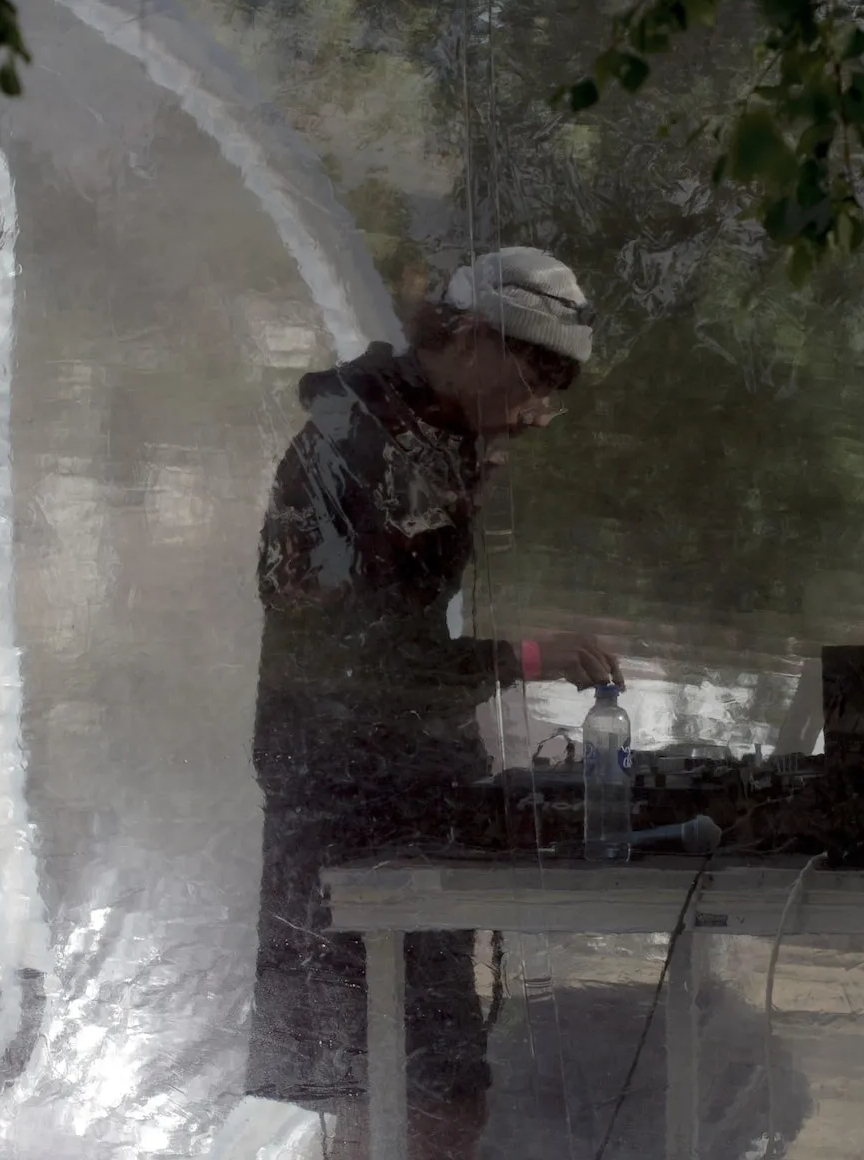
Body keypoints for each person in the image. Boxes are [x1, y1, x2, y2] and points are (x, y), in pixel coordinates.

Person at [246, 246, 621, 1160]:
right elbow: (359, 658)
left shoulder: (416, 435)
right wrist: (528, 656)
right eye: (536, 371)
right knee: (408, 1094)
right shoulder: (369, 445)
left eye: (558, 382)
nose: (542, 404)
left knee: (404, 1090)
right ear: (475, 339)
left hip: (382, 795)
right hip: (343, 806)